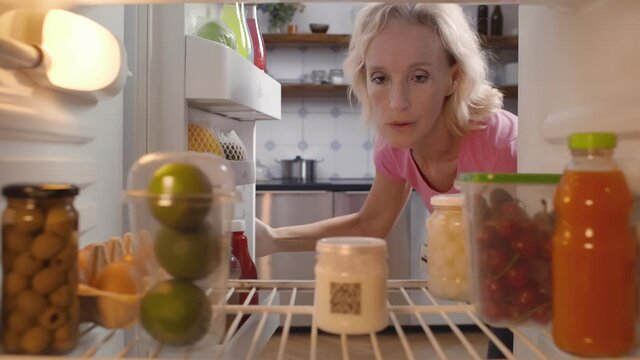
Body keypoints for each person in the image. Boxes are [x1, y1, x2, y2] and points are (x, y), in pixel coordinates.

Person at [255, 3, 516, 358]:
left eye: (419, 76)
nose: (397, 102)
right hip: (498, 299)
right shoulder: (396, 147)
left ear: (453, 78)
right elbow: (370, 223)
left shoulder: (501, 145)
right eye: (381, 78)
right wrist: (272, 238)